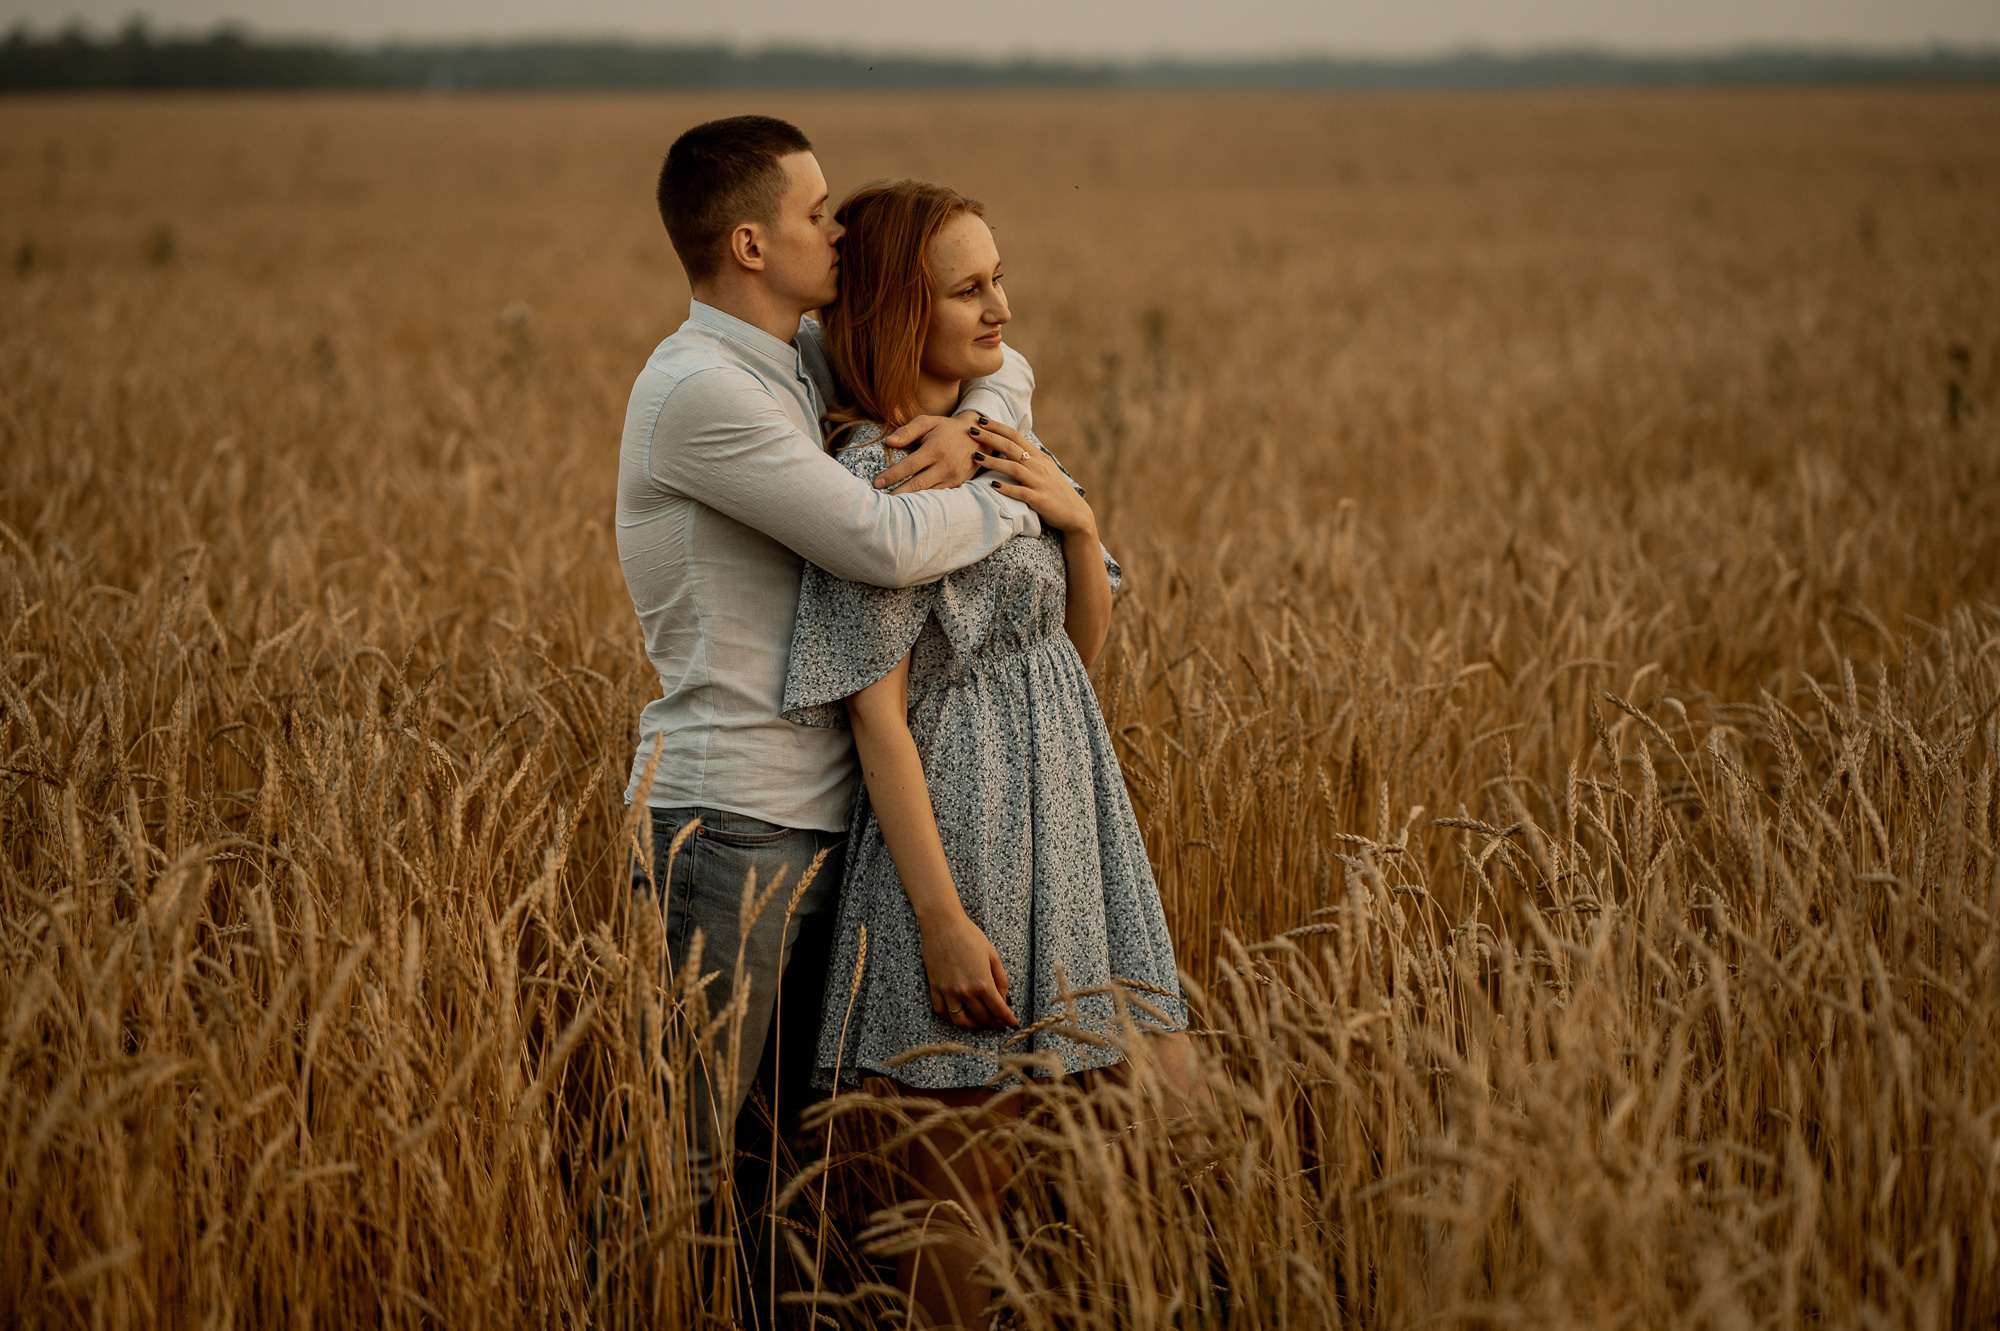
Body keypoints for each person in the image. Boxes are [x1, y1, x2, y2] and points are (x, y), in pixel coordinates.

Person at [614, 117, 1044, 1320]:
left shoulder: (791, 358)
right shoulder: (699, 390)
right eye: (814, 213)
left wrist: (970, 431)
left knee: (793, 1171)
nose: (839, 228)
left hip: (833, 828)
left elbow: (994, 362)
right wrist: (1023, 497)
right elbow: (878, 542)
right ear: (749, 241)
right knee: (687, 1168)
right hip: (729, 824)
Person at [781, 179, 1195, 1329]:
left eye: (999, 276)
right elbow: (877, 720)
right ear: (896, 309)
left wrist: (1078, 522)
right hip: (962, 824)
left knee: (1172, 1110)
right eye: (968, 288)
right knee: (962, 1173)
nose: (1000, 304)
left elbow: (1075, 645)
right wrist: (941, 918)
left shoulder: (997, 437)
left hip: (1076, 803)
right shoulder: (872, 479)